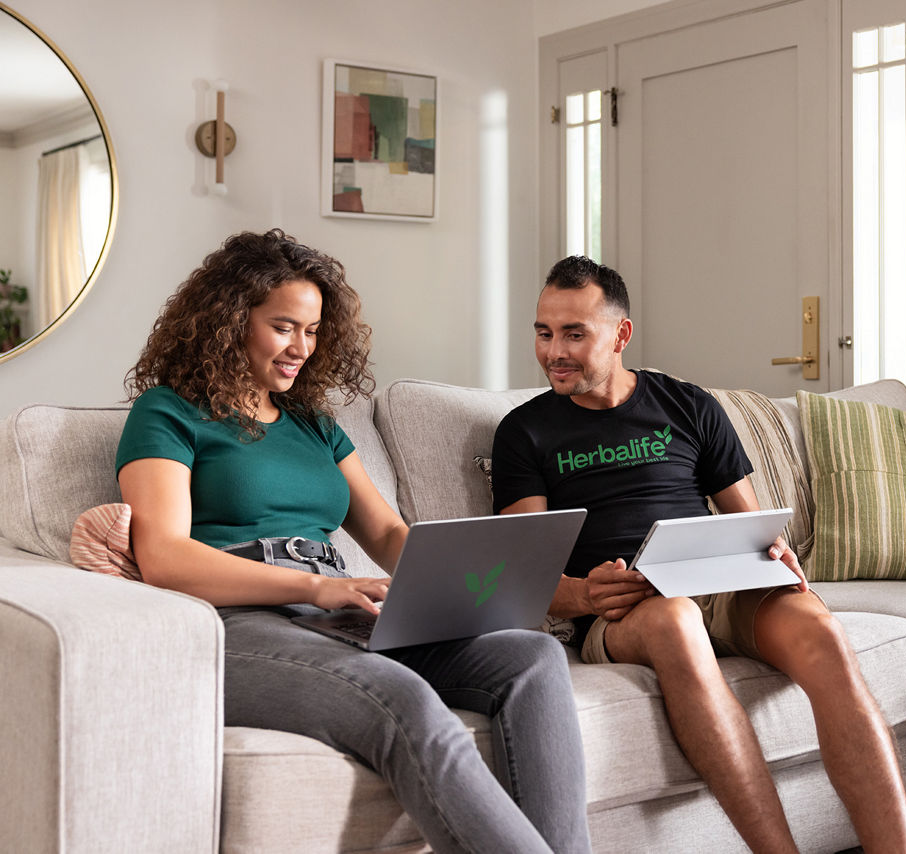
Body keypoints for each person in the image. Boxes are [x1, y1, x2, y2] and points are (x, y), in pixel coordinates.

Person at [116, 230, 591, 854]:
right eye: (283, 327)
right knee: (402, 698)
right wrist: (317, 584)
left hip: (338, 612)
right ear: (230, 321)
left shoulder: (313, 424)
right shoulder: (167, 413)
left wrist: (467, 573)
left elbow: (389, 532)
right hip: (235, 623)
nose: (300, 349)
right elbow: (164, 556)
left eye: (312, 332)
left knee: (531, 657)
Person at [491, 255, 906, 854]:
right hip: (624, 610)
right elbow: (522, 575)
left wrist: (771, 548)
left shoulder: (688, 405)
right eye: (544, 333)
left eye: (574, 334)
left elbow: (751, 521)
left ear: (621, 334)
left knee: (824, 636)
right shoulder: (523, 433)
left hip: (719, 584)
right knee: (676, 619)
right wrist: (585, 592)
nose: (554, 352)